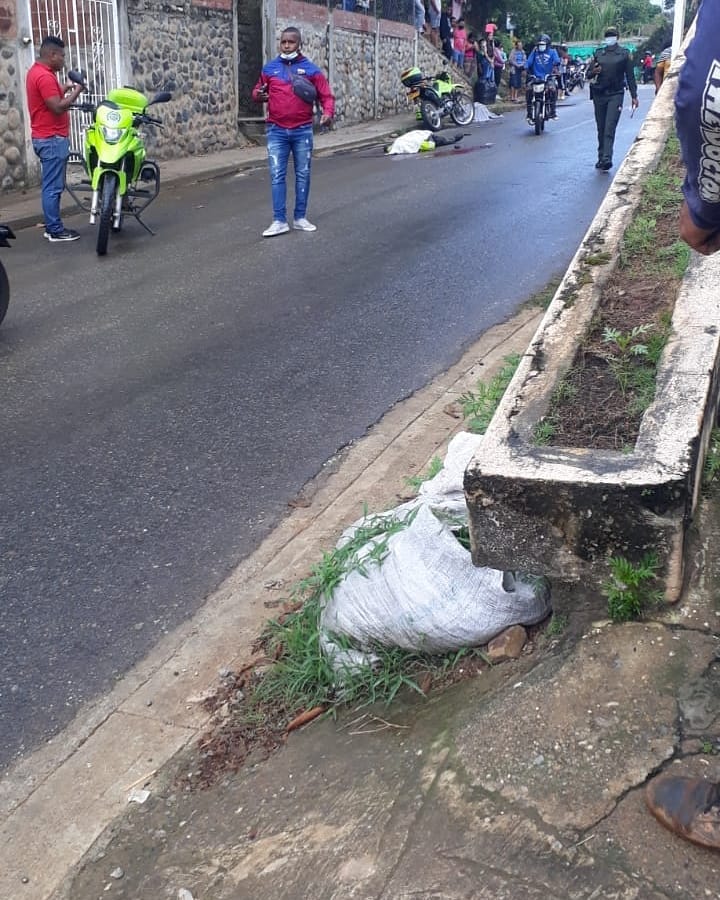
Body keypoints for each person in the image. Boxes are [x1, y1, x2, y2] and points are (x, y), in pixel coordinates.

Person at [252, 27, 335, 237]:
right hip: (276, 130)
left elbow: (326, 96)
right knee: (277, 175)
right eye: (284, 42)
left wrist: (328, 113)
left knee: (303, 174)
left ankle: (300, 218)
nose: (287, 45)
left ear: (299, 44)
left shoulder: (311, 70)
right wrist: (258, 95)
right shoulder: (269, 69)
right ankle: (279, 221)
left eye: (291, 42)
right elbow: (257, 91)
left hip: (302, 130)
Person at [25, 35, 85, 242]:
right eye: (62, 56)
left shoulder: (37, 72)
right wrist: (78, 90)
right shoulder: (44, 76)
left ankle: (53, 226)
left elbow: (49, 97)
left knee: (52, 186)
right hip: (51, 138)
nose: (63, 60)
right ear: (52, 55)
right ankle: (55, 230)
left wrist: (65, 88)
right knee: (53, 188)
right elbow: (58, 107)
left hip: (46, 137)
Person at [587, 27, 638, 171]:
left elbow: (630, 76)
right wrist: (594, 71)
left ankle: (606, 158)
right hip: (599, 94)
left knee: (609, 127)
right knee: (601, 127)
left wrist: (634, 96)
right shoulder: (598, 53)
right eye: (608, 35)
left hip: (615, 94)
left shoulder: (624, 54)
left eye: (612, 35)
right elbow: (588, 74)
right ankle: (601, 157)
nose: (610, 38)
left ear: (617, 37)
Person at [525, 34, 560, 125]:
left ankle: (553, 111)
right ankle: (529, 113)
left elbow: (557, 60)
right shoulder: (535, 52)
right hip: (535, 78)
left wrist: (556, 63)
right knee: (528, 90)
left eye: (543, 44)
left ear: (547, 45)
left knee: (553, 89)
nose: (541, 46)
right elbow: (528, 62)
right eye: (540, 44)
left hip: (548, 77)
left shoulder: (553, 52)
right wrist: (525, 67)